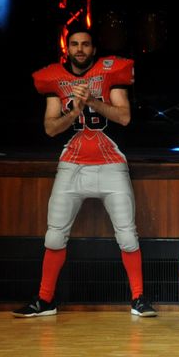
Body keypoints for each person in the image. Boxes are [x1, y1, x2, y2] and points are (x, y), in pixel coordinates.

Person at [13, 26, 157, 318]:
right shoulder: (55, 79)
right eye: (75, 44)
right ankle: (45, 300)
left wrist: (91, 101)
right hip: (73, 163)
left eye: (86, 44)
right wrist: (74, 110)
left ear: (94, 49)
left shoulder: (110, 75)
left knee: (127, 235)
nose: (80, 49)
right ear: (67, 48)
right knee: (54, 236)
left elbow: (124, 117)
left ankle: (139, 298)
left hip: (110, 163)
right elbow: (51, 128)